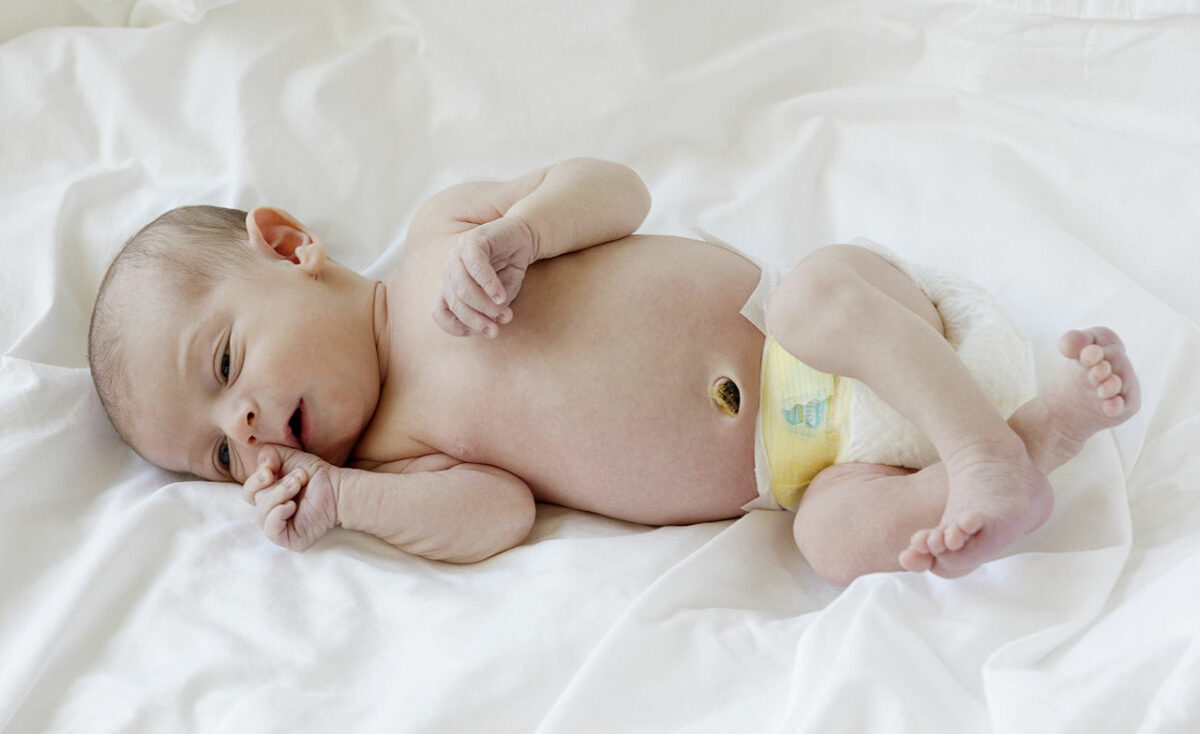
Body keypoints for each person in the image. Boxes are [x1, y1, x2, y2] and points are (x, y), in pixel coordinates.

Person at [87, 158, 1139, 584]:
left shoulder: (440, 236)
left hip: (820, 335)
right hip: (802, 467)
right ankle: (1036, 433)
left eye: (225, 362)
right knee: (830, 543)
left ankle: (977, 445)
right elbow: (495, 513)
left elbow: (621, 191)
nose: (252, 423)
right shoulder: (401, 452)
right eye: (222, 453)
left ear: (287, 243)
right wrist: (347, 499)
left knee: (819, 287)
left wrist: (524, 230)